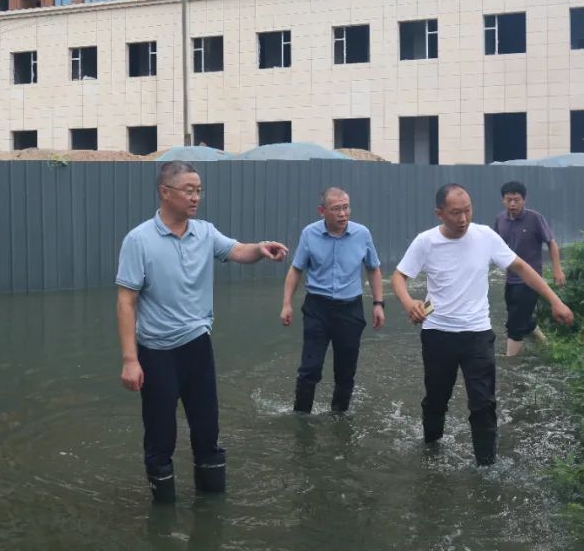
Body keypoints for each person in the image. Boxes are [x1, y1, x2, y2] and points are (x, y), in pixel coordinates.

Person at [116, 161, 289, 503]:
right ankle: (163, 510)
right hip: (156, 352)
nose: (196, 197)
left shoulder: (205, 233)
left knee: (207, 431)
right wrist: (129, 360)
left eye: (199, 191)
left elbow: (237, 250)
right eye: (188, 190)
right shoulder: (139, 240)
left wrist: (260, 249)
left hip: (197, 346)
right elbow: (126, 301)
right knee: (161, 436)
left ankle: (211, 507)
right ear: (165, 192)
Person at [391, 183, 573, 466]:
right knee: (436, 399)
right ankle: (431, 452)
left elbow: (521, 267)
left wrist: (555, 300)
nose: (463, 218)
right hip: (437, 333)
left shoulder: (485, 236)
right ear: (440, 213)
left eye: (467, 210)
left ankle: (486, 466)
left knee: (483, 403)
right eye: (455, 213)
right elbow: (399, 276)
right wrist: (408, 302)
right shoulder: (426, 242)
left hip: (478, 334)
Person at [280, 187, 384, 414]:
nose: (343, 214)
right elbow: (296, 269)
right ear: (322, 211)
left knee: (346, 372)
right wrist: (287, 304)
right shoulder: (310, 233)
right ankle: (301, 416)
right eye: (336, 209)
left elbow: (373, 268)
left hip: (350, 309)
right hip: (317, 308)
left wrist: (378, 304)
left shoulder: (362, 234)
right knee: (310, 369)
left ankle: (339, 416)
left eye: (346, 207)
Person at [493, 180, 566, 357]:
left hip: (531, 280)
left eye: (516, 200)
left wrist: (557, 269)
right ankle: (547, 345)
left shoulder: (535, 218)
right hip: (511, 278)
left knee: (514, 326)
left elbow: (551, 243)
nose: (512, 204)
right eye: (509, 200)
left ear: (524, 200)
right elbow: (494, 245)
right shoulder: (500, 220)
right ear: (503, 200)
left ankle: (510, 364)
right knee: (519, 316)